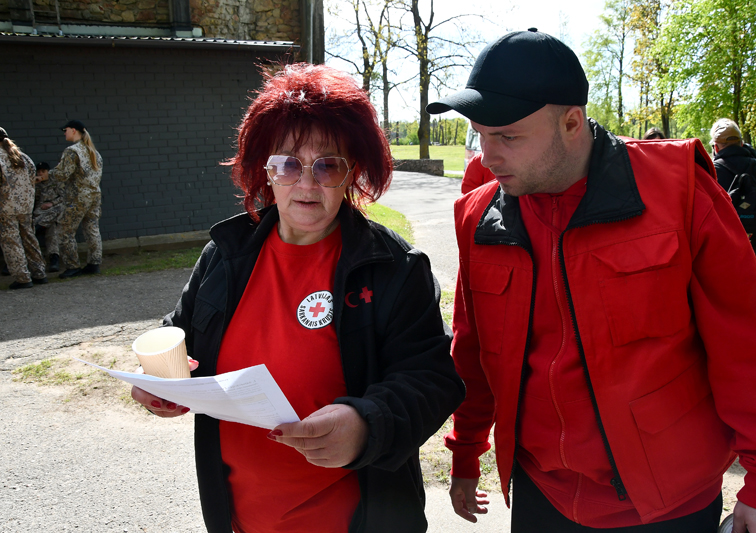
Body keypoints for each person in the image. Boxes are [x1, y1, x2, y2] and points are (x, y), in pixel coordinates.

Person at [427, 28, 756, 533]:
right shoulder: (478, 216)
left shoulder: (679, 192)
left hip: (670, 504)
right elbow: (473, 351)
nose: (486, 157)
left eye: (507, 136)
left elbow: (748, 345)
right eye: (480, 134)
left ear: (571, 121)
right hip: (542, 497)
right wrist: (466, 452)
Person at [130, 63, 466, 533]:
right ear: (265, 170)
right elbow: (181, 333)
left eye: (328, 165)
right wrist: (160, 379)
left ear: (352, 173)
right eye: (288, 163)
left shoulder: (395, 267)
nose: (307, 183)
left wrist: (366, 424)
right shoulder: (226, 255)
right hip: (241, 521)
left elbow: (432, 378)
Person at [710, 118, 756, 255]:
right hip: (752, 240)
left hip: (719, 243)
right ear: (741, 144)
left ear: (716, 147)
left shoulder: (711, 172)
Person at [46, 119, 103, 279]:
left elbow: (62, 174)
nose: (64, 133)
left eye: (65, 130)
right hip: (94, 196)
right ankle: (94, 264)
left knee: (65, 231)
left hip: (77, 197)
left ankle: (72, 266)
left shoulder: (72, 151)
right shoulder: (94, 152)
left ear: (73, 130)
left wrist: (46, 176)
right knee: (92, 229)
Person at [0, 127, 48, 289]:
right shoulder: (24, 157)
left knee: (11, 242)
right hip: (26, 207)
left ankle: (22, 278)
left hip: (6, 208)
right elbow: (32, 180)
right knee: (29, 238)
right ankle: (39, 273)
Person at [33, 161, 63, 272]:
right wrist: (33, 184)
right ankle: (54, 259)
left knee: (59, 211)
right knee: (51, 227)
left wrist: (52, 203)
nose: (41, 174)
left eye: (43, 171)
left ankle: (40, 226)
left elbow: (64, 196)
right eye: (39, 172)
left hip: (54, 210)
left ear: (48, 172)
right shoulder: (35, 184)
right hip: (41, 213)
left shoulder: (55, 181)